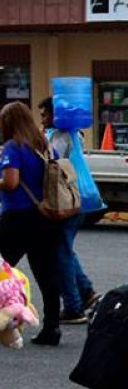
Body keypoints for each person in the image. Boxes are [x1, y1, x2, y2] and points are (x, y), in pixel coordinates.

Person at [0, 102, 64, 346]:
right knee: (47, 274)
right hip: (46, 217)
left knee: (3, 269)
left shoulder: (12, 147)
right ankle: (51, 327)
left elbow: (12, 182)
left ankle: (6, 318)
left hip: (17, 217)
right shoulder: (44, 146)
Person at [38, 97, 100, 324]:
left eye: (45, 114)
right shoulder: (72, 134)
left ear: (56, 115)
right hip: (78, 198)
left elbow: (51, 163)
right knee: (64, 249)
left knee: (60, 253)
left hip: (66, 200)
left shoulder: (61, 137)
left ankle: (74, 307)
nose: (43, 119)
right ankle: (86, 293)